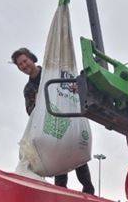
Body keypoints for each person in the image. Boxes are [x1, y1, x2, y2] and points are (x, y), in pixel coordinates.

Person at [10, 47, 95, 194]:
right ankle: (61, 192)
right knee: (57, 156)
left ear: (32, 59)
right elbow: (31, 111)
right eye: (20, 65)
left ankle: (88, 190)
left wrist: (74, 88)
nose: (24, 66)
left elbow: (69, 86)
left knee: (77, 151)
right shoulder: (29, 89)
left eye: (25, 61)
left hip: (68, 118)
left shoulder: (51, 73)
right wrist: (39, 103)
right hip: (51, 125)